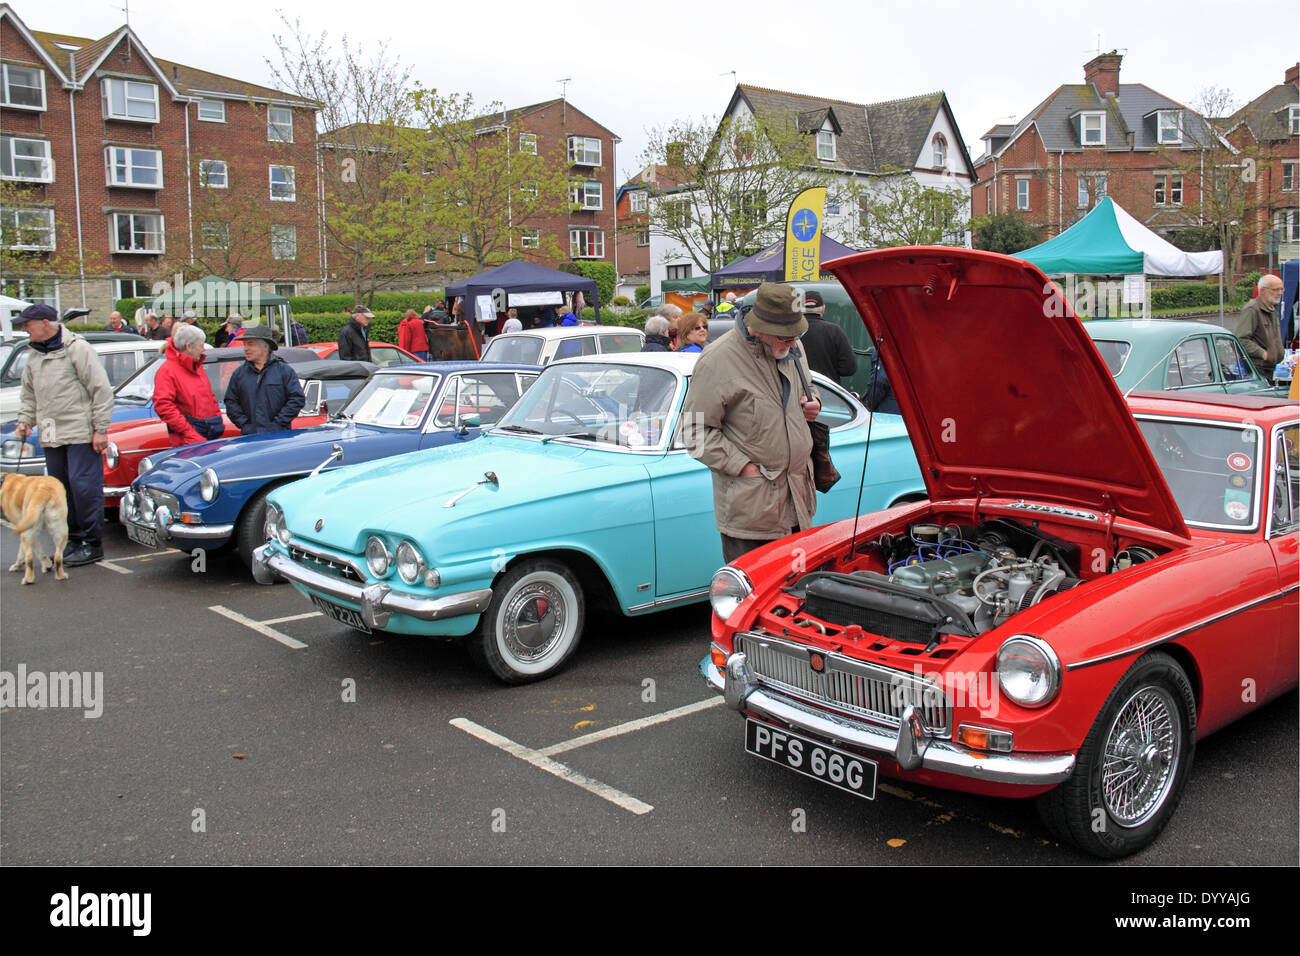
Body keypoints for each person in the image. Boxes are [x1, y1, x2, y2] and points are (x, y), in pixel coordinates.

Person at [681, 282, 820, 565]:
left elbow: (808, 388)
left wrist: (813, 401)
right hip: (752, 511)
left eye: (797, 334)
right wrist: (743, 468)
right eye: (785, 337)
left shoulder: (792, 346)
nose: (793, 343)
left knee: (795, 599)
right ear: (758, 327)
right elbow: (692, 432)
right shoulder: (716, 361)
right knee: (752, 600)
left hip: (798, 504)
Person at [11, 304, 114, 567]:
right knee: (59, 490)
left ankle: (92, 543)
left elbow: (101, 389)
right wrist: (25, 420)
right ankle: (74, 539)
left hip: (80, 431)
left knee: (84, 488)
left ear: (46, 323)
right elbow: (29, 394)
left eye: (27, 324)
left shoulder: (76, 349)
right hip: (50, 433)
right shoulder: (33, 356)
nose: (23, 328)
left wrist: (100, 429)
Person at [224, 326, 305, 435]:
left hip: (279, 438)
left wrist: (278, 424)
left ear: (266, 346)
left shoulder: (284, 371)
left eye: (250, 344)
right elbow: (230, 401)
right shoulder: (239, 374)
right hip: (250, 438)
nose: (246, 348)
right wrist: (245, 424)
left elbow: (297, 399)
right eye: (245, 344)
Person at [153, 324, 223, 447]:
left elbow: (209, 396)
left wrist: (217, 418)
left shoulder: (196, 366)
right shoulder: (168, 371)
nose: (203, 349)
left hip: (207, 434)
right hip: (187, 441)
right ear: (188, 347)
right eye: (201, 345)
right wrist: (189, 433)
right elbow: (164, 406)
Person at [798, 289, 857, 383]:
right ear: (823, 308)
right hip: (828, 392)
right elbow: (849, 369)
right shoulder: (835, 331)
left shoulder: (790, 332)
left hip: (796, 392)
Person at [1237, 274, 1285, 382]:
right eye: (1276, 289)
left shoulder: (1272, 308)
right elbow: (1241, 339)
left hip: (1269, 368)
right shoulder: (1252, 310)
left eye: (1282, 289)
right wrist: (1263, 354)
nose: (1280, 293)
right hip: (1257, 369)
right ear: (1263, 291)